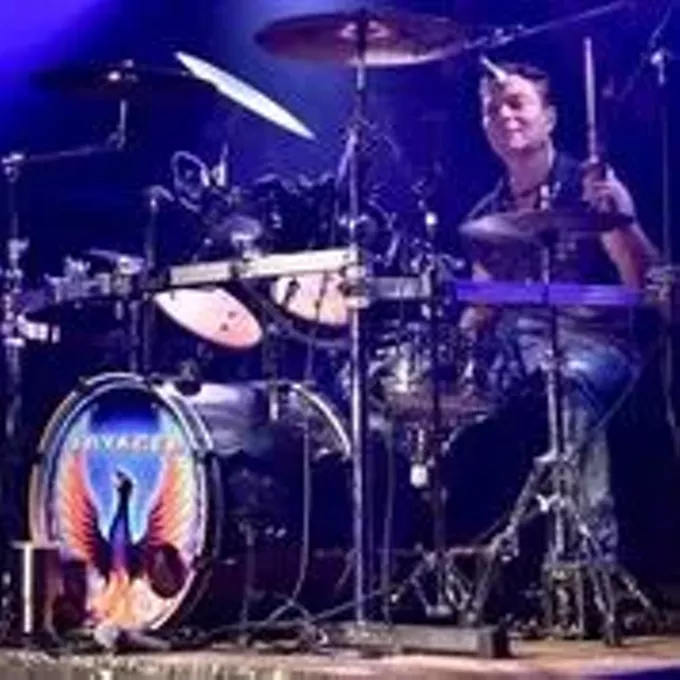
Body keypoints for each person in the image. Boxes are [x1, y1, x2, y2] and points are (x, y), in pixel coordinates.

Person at [454, 61, 659, 564]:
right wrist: (453, 346)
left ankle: (586, 564)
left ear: (549, 117)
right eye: (491, 109)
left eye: (516, 103)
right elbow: (482, 306)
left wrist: (623, 219)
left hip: (598, 347)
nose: (504, 115)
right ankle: (482, 565)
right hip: (518, 355)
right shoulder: (485, 216)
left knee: (567, 382)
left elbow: (644, 283)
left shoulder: (590, 188)